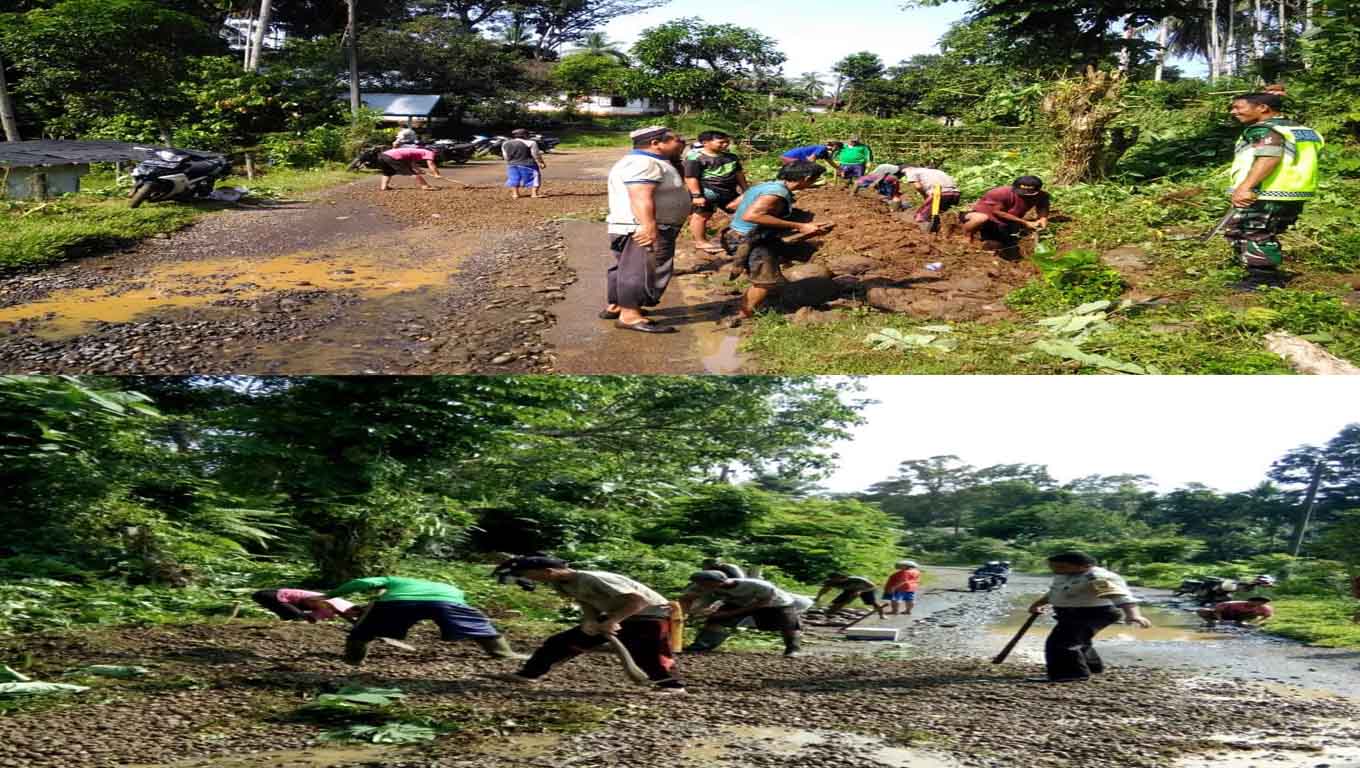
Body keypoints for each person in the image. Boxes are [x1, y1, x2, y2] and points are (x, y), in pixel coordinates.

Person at [489, 555, 686, 694]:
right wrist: (590, 621)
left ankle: (672, 686)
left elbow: (637, 601)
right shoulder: (561, 583)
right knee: (561, 642)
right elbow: (586, 601)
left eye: (531, 575)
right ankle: (529, 674)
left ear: (548, 571)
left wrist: (612, 621)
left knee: (646, 652)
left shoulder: (593, 578)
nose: (531, 580)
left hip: (649, 615)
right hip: (617, 614)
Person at [599, 126, 691, 334]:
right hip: (644, 226)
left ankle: (617, 305)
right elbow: (640, 195)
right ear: (655, 143)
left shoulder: (645, 162)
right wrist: (649, 226)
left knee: (625, 267)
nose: (682, 142)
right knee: (641, 269)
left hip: (635, 225)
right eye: (677, 139)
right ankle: (630, 316)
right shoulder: (645, 163)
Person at [1224, 92, 1323, 276]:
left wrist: (1245, 187)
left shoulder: (1265, 129)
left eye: (1238, 107)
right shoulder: (1303, 130)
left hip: (1265, 192)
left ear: (1262, 108)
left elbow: (1269, 157)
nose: (1233, 112)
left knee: (1253, 231)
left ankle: (1263, 279)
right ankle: (1251, 271)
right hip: (1294, 191)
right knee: (1242, 229)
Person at [721, 161, 829, 327]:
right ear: (807, 178)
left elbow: (733, 205)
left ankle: (767, 290)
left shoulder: (766, 185)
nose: (814, 183)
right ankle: (744, 314)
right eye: (814, 180)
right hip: (749, 240)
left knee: (786, 257)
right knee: (765, 281)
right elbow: (752, 216)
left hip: (737, 234)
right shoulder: (777, 193)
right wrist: (800, 226)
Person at [324, 575, 523, 665]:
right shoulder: (451, 588)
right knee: (480, 627)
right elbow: (436, 603)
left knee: (363, 632)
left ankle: (353, 659)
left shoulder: (395, 580)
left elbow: (362, 583)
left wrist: (330, 595)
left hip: (398, 603)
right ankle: (504, 653)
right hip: (448, 603)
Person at [1027, 551, 1150, 683]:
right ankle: (1092, 667)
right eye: (1053, 567)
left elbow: (1119, 595)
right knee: (1077, 639)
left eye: (1061, 567)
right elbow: (1055, 592)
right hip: (1071, 613)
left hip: (1095, 614)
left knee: (1062, 643)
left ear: (1084, 566)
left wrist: (1134, 615)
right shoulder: (1064, 574)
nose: (1055, 570)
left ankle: (1070, 674)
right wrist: (1037, 604)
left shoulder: (1096, 577)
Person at [683, 571, 804, 657]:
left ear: (717, 582)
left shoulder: (757, 585)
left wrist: (730, 613)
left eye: (703, 584)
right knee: (716, 621)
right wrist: (687, 613)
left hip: (775, 603)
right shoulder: (703, 586)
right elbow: (687, 598)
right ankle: (702, 645)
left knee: (788, 624)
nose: (700, 586)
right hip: (737, 602)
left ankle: (793, 649)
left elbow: (762, 603)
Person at [683, 130, 749, 254]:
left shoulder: (731, 157)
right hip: (707, 192)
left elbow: (739, 174)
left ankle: (740, 237)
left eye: (727, 142)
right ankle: (700, 242)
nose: (725, 145)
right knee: (702, 216)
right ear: (705, 143)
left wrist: (746, 190)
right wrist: (697, 195)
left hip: (729, 192)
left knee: (743, 211)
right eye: (721, 142)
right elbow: (691, 177)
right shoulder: (696, 158)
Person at [960, 176, 1050, 252]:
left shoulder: (1042, 195)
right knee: (981, 218)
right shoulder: (1000, 193)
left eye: (1029, 194)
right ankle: (966, 236)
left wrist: (1043, 218)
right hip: (984, 216)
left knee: (999, 245)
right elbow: (997, 212)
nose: (1025, 195)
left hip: (1004, 222)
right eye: (1022, 193)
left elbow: (1043, 207)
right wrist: (1024, 222)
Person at [901, 167, 961, 232]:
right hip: (956, 193)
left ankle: (926, 235)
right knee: (942, 214)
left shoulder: (911, 171)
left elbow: (918, 186)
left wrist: (924, 194)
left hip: (939, 194)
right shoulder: (937, 171)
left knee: (921, 216)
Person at [251, 588, 357, 623]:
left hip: (275, 594)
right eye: (353, 615)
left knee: (291, 615)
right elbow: (311, 618)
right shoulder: (332, 605)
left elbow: (347, 616)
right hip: (273, 595)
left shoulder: (340, 605)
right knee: (297, 616)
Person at [502, 128, 546, 200]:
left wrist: (510, 162)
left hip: (511, 164)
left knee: (514, 178)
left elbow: (505, 156)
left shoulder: (505, 143)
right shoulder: (531, 143)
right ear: (525, 135)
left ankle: (515, 194)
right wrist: (541, 162)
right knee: (535, 177)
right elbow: (535, 154)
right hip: (528, 164)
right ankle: (534, 194)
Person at [815, 573, 885, 618]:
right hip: (850, 590)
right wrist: (818, 597)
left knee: (872, 602)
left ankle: (881, 614)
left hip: (866, 589)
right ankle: (829, 614)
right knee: (839, 601)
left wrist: (860, 591)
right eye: (833, 580)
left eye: (837, 580)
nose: (835, 581)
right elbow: (824, 590)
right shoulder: (831, 582)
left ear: (842, 578)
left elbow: (872, 586)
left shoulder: (856, 579)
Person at [1197, 597, 1274, 627]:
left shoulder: (1264, 608)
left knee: (1250, 615)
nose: (1259, 604)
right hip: (1225, 614)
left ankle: (1241, 623)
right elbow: (1217, 611)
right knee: (1201, 611)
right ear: (1250, 601)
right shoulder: (1232, 604)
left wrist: (1258, 622)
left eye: (1262, 603)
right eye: (1257, 602)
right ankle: (1211, 623)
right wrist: (1220, 620)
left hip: (1241, 617)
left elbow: (1267, 616)